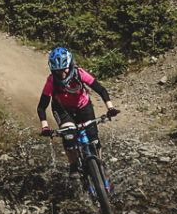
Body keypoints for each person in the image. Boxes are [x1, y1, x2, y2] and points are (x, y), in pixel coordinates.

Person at [37, 46, 118, 185]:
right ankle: (73, 165)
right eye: (58, 70)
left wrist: (110, 108)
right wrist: (45, 126)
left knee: (94, 138)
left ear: (70, 65)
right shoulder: (51, 81)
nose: (62, 73)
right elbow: (41, 107)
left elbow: (101, 89)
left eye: (64, 69)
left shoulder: (79, 73)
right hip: (63, 110)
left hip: (83, 106)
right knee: (68, 136)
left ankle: (99, 163)